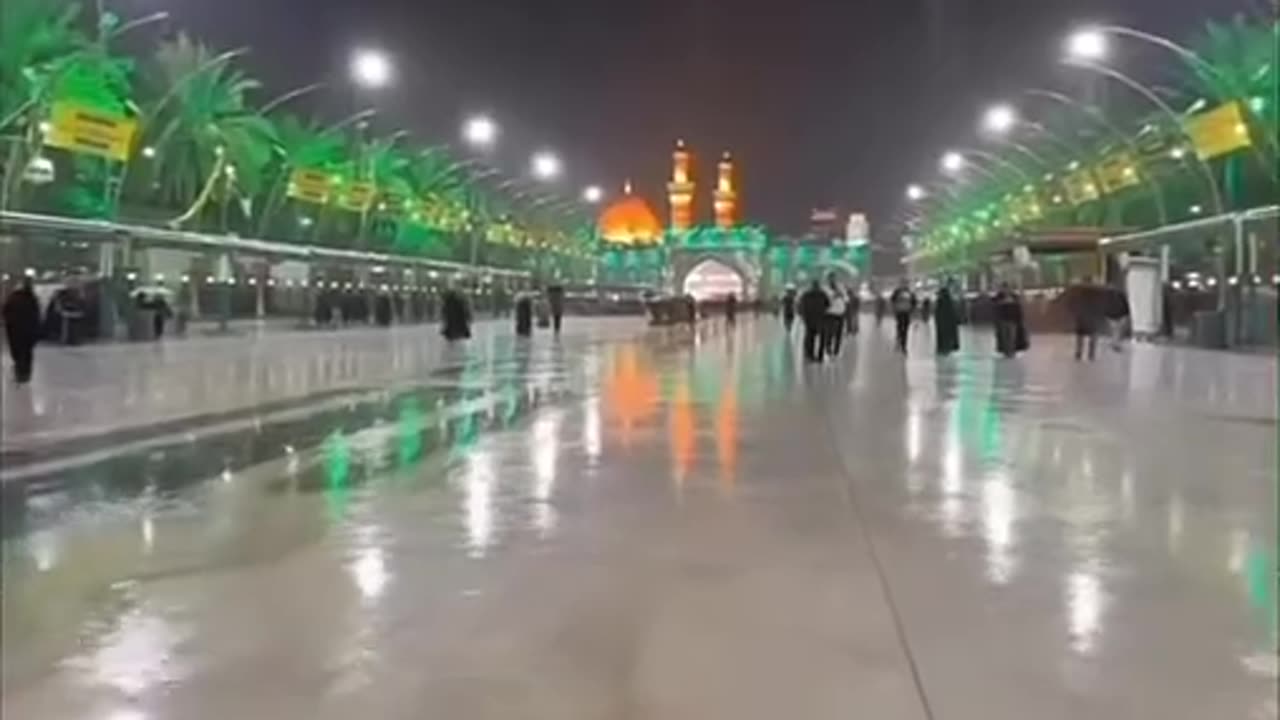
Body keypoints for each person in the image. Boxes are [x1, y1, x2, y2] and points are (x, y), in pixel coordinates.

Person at [3, 278, 41, 384]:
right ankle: (26, 374)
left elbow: (5, 312)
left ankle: (19, 372)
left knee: (17, 352)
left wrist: (8, 324)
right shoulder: (32, 298)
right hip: (28, 331)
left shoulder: (13, 298)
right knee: (27, 353)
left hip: (15, 331)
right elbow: (37, 316)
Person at [1067, 276, 1103, 361]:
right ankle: (1091, 354)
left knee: (1081, 336)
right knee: (1092, 335)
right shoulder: (1096, 292)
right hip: (1091, 316)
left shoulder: (1079, 291)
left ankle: (1079, 353)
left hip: (1083, 315)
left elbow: (1073, 302)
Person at [798, 279, 830, 363]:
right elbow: (828, 304)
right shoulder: (823, 294)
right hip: (820, 318)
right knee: (822, 337)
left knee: (810, 337)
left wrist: (802, 315)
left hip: (809, 318)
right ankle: (820, 355)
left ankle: (810, 355)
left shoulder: (806, 294)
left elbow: (801, 305)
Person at [993, 282, 1027, 358]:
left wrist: (1020, 319)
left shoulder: (1014, 297)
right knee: (1004, 337)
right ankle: (1006, 351)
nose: (1006, 290)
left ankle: (1012, 351)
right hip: (1002, 320)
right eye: (1004, 288)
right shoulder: (998, 297)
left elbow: (1019, 308)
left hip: (1013, 320)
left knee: (1012, 336)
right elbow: (994, 306)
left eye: (1007, 288)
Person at [889, 280, 916, 354]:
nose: (904, 285)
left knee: (905, 329)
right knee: (900, 327)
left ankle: (903, 344)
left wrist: (911, 310)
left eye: (905, 283)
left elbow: (914, 302)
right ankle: (900, 340)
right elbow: (892, 300)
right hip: (900, 313)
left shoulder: (909, 293)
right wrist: (895, 309)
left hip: (906, 313)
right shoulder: (898, 292)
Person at [934, 283, 961, 356]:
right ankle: (947, 348)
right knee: (948, 336)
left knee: (943, 337)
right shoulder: (949, 302)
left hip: (942, 324)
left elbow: (937, 313)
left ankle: (943, 348)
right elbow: (954, 313)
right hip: (948, 324)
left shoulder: (940, 302)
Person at [824, 274, 846, 357]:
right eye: (830, 278)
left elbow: (845, 297)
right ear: (828, 279)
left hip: (840, 312)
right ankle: (828, 348)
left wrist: (841, 293)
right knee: (829, 332)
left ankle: (836, 350)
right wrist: (835, 295)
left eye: (834, 278)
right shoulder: (825, 288)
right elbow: (827, 298)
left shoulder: (841, 287)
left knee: (839, 333)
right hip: (830, 313)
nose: (832, 280)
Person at [1104, 284, 1130, 351]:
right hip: (1116, 315)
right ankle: (1115, 344)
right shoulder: (1120, 295)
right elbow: (1126, 304)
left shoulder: (1109, 296)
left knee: (1116, 330)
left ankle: (1114, 343)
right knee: (1117, 330)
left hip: (1116, 315)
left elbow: (1125, 304)